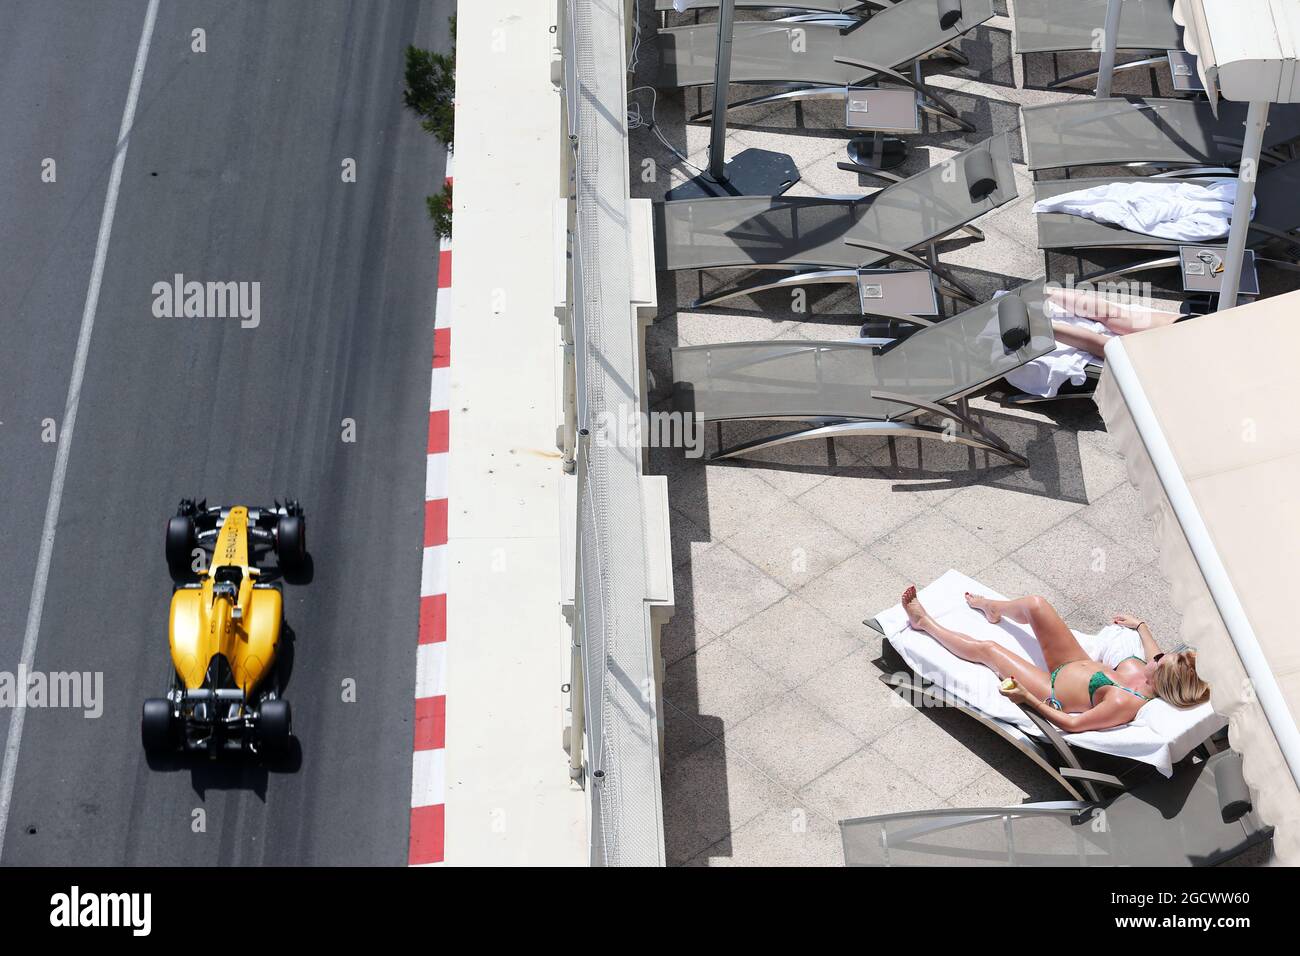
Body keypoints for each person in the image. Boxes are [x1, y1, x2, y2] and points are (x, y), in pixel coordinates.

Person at [901, 585, 1210, 732]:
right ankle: (994, 607)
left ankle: (924, 623)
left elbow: (1072, 725)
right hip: (1072, 660)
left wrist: (1026, 699)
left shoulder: (1125, 702)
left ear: (1162, 678)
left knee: (989, 650)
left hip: (1052, 690)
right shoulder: (1149, 672)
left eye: (1162, 660)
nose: (1158, 656)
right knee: (1036, 605)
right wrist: (1141, 625)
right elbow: (1155, 651)